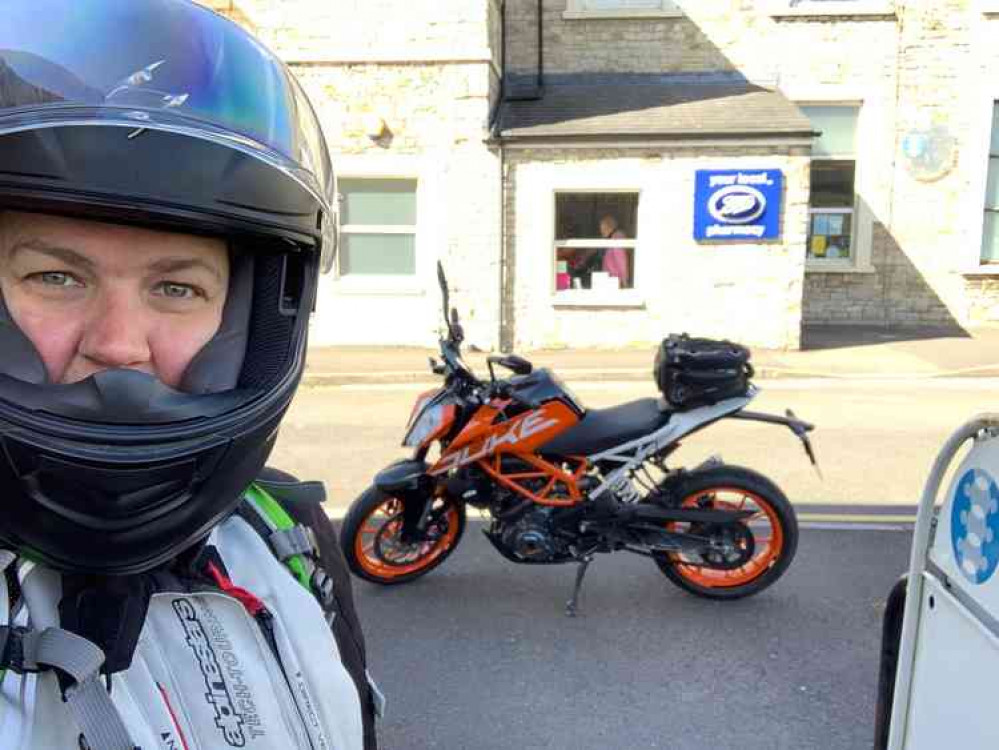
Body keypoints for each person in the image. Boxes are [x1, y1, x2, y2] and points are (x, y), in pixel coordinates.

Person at [0, 3, 380, 749]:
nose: (119, 347)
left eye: (178, 289)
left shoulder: (282, 538)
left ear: (251, 322)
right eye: (54, 276)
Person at [599, 214, 631, 289]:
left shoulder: (617, 238)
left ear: (610, 227)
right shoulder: (612, 239)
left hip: (616, 282)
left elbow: (621, 261)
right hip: (611, 280)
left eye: (603, 228)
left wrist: (624, 282)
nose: (601, 231)